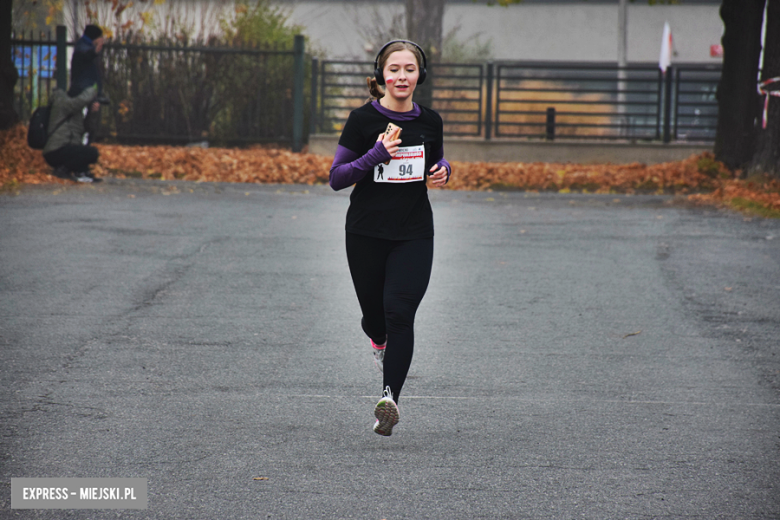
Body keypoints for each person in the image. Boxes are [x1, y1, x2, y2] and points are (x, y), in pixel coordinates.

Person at [329, 40, 451, 436]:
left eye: (409, 69)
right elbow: (337, 178)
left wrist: (442, 169)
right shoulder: (362, 120)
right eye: (394, 69)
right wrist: (375, 155)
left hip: (414, 233)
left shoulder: (430, 121)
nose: (402, 76)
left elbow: (436, 159)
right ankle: (377, 339)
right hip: (365, 233)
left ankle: (389, 400)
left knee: (400, 312)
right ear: (381, 74)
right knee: (376, 319)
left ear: (420, 75)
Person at [43, 85, 101, 183]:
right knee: (92, 152)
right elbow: (78, 102)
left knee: (87, 153)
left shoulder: (77, 112)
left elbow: (88, 128)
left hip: (67, 149)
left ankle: (81, 172)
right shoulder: (62, 102)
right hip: (55, 150)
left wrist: (92, 113)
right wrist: (92, 91)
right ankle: (63, 169)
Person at [70, 24, 107, 143]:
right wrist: (95, 51)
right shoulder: (83, 47)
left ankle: (85, 144)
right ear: (95, 38)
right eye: (100, 37)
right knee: (87, 120)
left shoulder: (86, 46)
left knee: (91, 118)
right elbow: (84, 57)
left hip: (89, 89)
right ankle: (82, 145)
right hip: (83, 90)